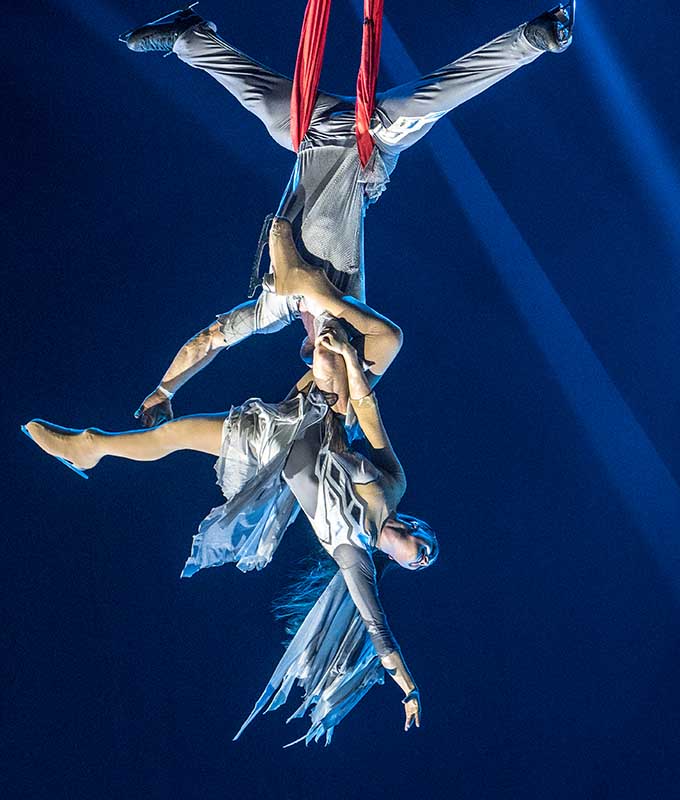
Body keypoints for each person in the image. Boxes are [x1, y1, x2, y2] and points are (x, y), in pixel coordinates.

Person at [22, 219, 438, 744]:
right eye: (427, 549)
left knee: (176, 436)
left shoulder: (353, 558)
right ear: (417, 528)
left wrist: (407, 687)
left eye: (421, 564)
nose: (422, 558)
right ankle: (303, 285)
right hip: (321, 410)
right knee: (385, 341)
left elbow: (378, 630)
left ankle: (92, 446)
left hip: (272, 443)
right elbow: (368, 414)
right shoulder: (392, 488)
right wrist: (353, 361)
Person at [120, 3, 575, 428]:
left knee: (255, 94)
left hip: (309, 131)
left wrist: (162, 391)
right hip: (370, 138)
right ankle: (535, 37)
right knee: (436, 97)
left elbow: (209, 341)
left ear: (305, 348)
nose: (326, 345)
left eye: (319, 353)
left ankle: (189, 36)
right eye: (334, 353)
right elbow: (380, 351)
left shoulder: (273, 307)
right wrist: (352, 384)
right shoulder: (350, 304)